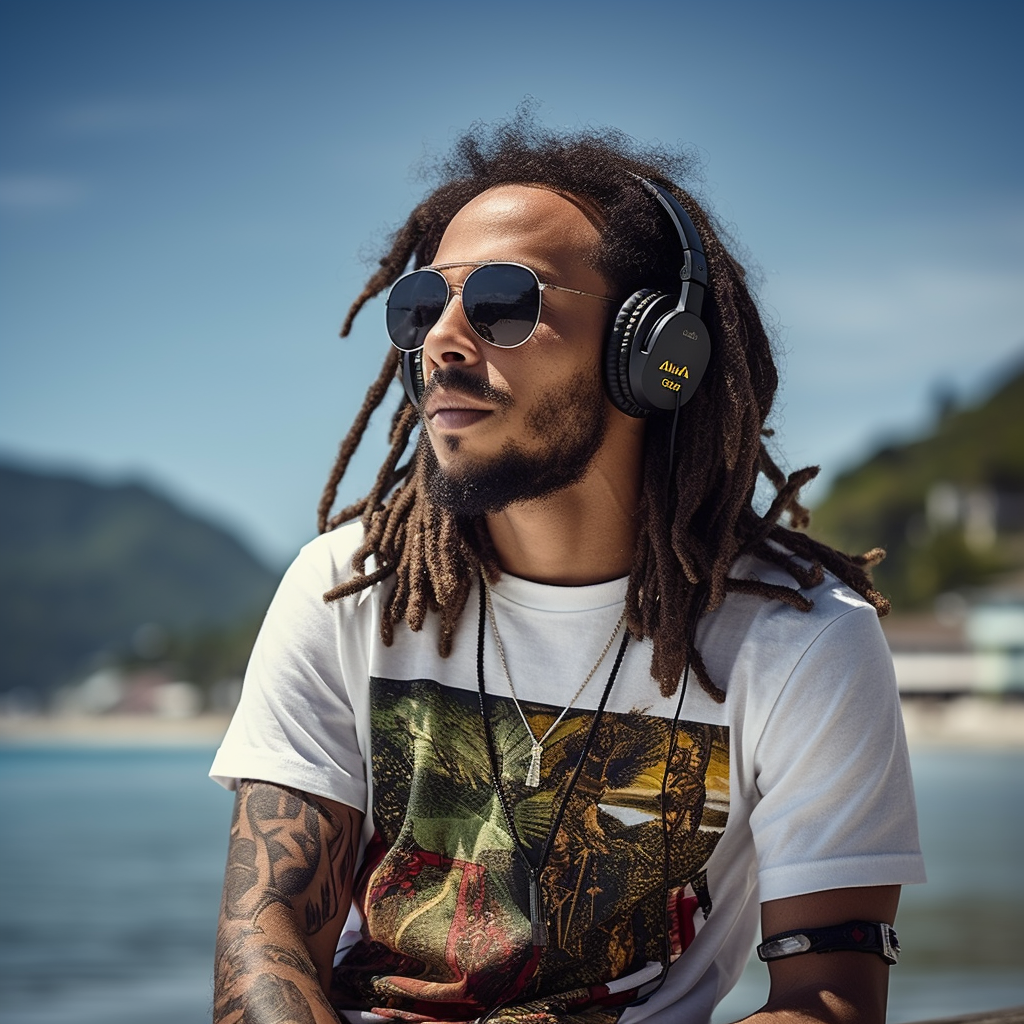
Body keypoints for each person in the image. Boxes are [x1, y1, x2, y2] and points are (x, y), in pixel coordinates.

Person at [210, 116, 925, 1024]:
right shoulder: (347, 588)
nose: (443, 341)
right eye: (421, 308)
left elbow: (831, 997)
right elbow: (263, 936)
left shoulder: (802, 641)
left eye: (506, 304)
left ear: (654, 354)